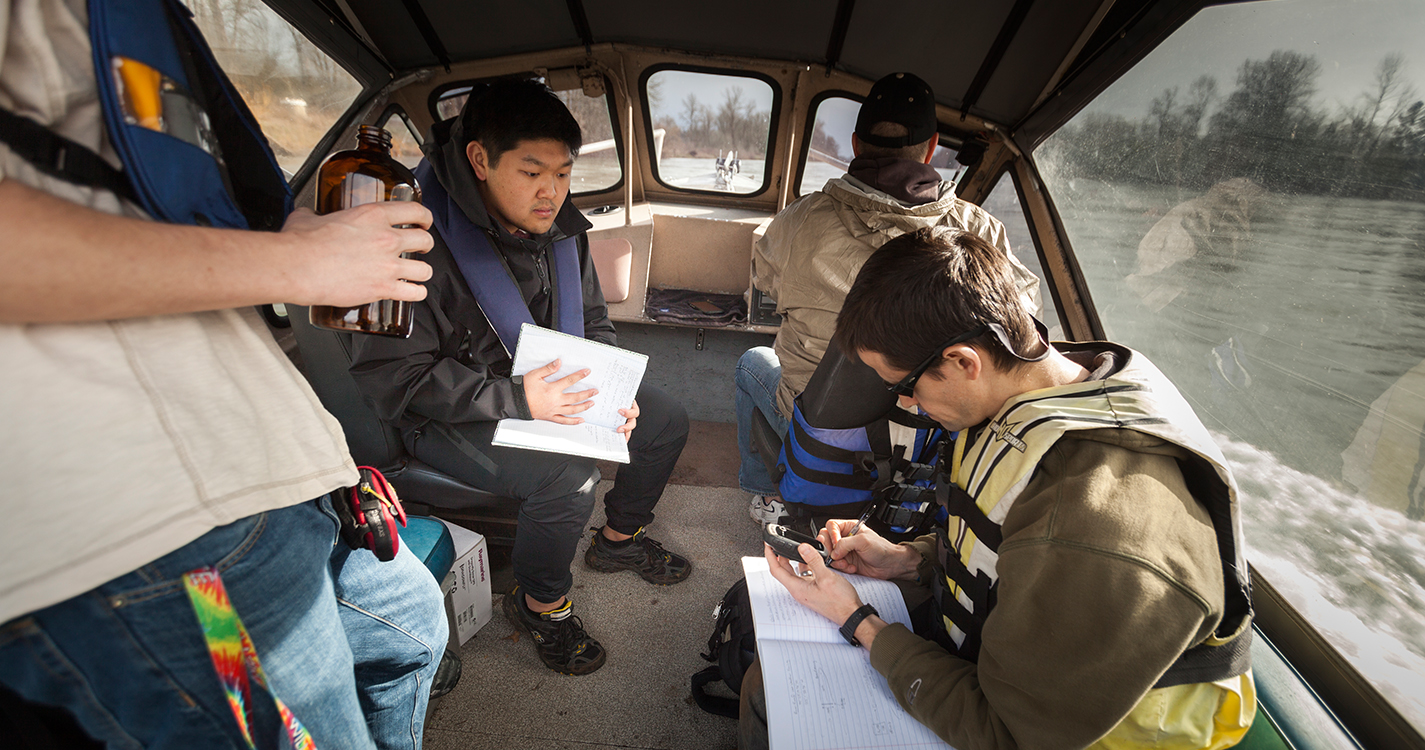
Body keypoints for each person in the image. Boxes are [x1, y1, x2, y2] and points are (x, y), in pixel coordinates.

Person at [0, 1, 447, 748]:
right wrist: (298, 262)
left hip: (279, 473)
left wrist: (279, 233)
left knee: (407, 626)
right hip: (155, 545)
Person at [741, 227, 1257, 750]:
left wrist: (859, 622)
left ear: (965, 361)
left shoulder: (1091, 520)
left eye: (904, 386)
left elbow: (1006, 734)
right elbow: (1002, 550)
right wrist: (909, 558)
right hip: (1000, 668)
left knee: (769, 700)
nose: (909, 407)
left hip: (1069, 735)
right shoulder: (1028, 397)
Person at [346, 80, 692, 677]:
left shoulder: (561, 230)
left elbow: (595, 323)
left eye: (562, 174)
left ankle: (618, 540)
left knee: (664, 419)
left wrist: (609, 388)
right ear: (480, 159)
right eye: (532, 172)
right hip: (446, 412)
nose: (551, 193)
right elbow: (395, 378)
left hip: (540, 388)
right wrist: (517, 398)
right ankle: (540, 604)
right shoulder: (407, 239)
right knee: (568, 476)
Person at [739, 72, 1040, 523]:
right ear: (932, 145)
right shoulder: (980, 232)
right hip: (930, 436)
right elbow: (1022, 324)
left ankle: (767, 494)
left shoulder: (799, 220)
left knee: (751, 362)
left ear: (857, 145)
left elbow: (763, 283)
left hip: (820, 424)